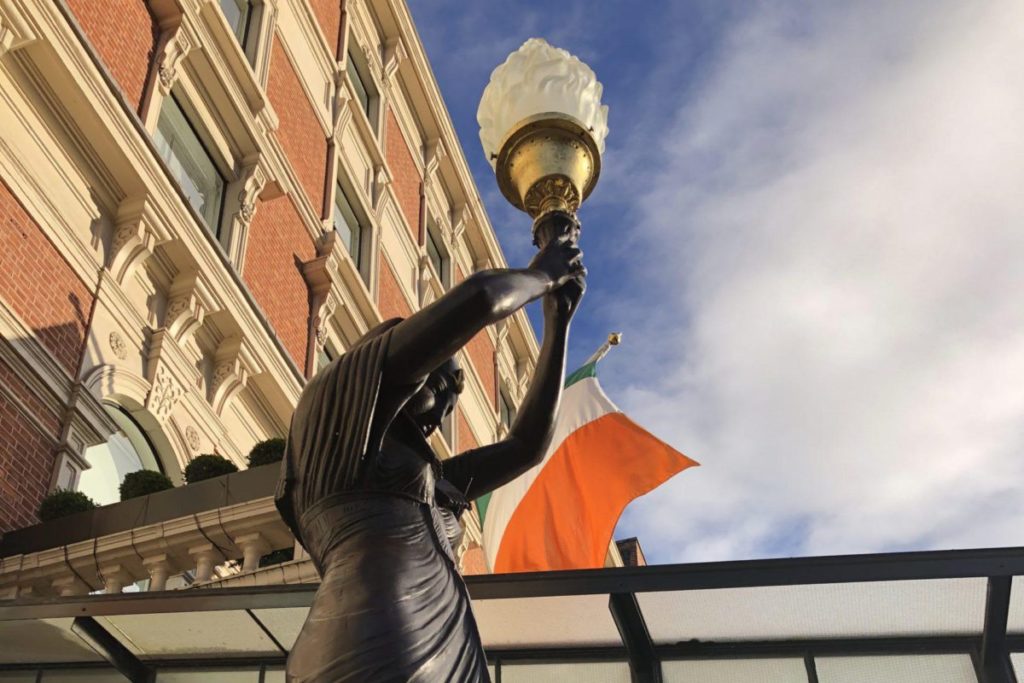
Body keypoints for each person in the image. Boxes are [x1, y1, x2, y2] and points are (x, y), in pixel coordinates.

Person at [276, 213, 586, 682]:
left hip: (444, 635)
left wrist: (557, 322)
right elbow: (479, 298)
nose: (443, 409)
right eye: (440, 384)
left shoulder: (425, 475)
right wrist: (542, 275)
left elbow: (526, 446)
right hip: (379, 630)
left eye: (453, 399)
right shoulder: (336, 407)